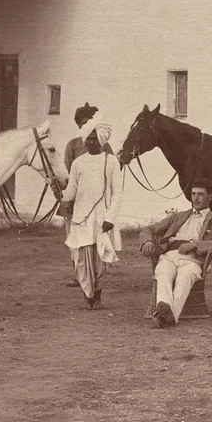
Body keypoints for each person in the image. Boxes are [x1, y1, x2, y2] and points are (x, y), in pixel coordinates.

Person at [139, 179, 212, 329]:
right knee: (162, 273)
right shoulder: (178, 217)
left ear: (210, 197)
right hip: (168, 256)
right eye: (193, 194)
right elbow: (148, 229)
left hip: (192, 260)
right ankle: (166, 314)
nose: (195, 198)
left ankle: (162, 315)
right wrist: (147, 242)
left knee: (184, 278)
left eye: (200, 194)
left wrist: (195, 244)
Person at [60, 118, 122, 310]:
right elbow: (72, 190)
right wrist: (60, 194)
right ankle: (86, 296)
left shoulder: (111, 161)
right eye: (89, 138)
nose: (91, 142)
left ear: (102, 140)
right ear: (84, 139)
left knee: (99, 260)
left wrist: (110, 219)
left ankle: (97, 297)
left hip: (102, 218)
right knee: (81, 259)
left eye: (95, 139)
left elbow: (117, 192)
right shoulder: (78, 163)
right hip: (81, 218)